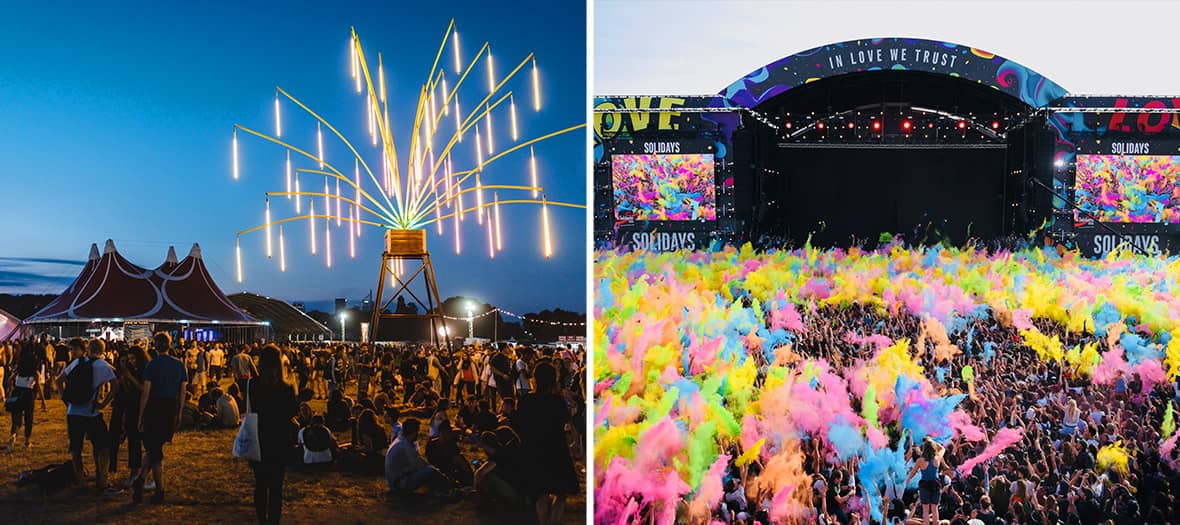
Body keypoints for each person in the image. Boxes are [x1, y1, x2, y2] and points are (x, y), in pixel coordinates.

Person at [513, 360, 579, 525]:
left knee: (541, 493)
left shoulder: (526, 401)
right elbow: (567, 421)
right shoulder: (556, 402)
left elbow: (518, 424)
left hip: (534, 450)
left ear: (535, 379)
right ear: (553, 380)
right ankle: (553, 521)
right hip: (555, 450)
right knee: (561, 492)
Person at [55, 338, 118, 490]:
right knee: (103, 447)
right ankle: (101, 479)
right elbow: (116, 386)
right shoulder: (103, 365)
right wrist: (103, 403)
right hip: (91, 413)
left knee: (76, 448)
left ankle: (81, 480)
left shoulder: (78, 362)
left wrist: (66, 400)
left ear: (88, 349)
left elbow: (58, 380)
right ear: (103, 350)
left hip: (73, 411)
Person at [133, 332, 188, 504]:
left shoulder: (151, 365)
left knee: (154, 449)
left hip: (154, 407)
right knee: (156, 448)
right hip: (169, 407)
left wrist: (140, 416)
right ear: (170, 345)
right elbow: (183, 391)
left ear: (155, 346)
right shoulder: (179, 365)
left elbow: (146, 393)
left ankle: (146, 483)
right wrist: (179, 412)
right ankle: (155, 487)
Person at [246, 344, 298, 524]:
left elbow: (251, 409)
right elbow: (293, 412)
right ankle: (274, 520)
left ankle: (262, 520)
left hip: (259, 438)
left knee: (260, 484)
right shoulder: (286, 388)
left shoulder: (253, 385)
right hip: (280, 439)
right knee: (276, 487)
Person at [384, 418, 455, 497]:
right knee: (431, 471)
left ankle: (440, 489)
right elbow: (418, 465)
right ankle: (449, 489)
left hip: (397, 479)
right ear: (414, 432)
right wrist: (438, 472)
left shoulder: (402, 441)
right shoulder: (405, 446)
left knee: (430, 470)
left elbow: (418, 461)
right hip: (399, 483)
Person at [110, 344, 148, 481]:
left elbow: (143, 389)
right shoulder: (121, 373)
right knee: (114, 436)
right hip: (121, 406)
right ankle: (112, 466)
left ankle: (134, 470)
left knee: (134, 439)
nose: (129, 362)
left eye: (131, 359)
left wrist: (129, 376)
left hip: (135, 407)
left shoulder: (140, 371)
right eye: (125, 360)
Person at [7, 340, 42, 450]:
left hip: (17, 391)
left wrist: (11, 389)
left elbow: (9, 380)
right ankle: (27, 441)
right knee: (28, 417)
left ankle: (13, 435)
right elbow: (39, 387)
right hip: (28, 394)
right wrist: (43, 401)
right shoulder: (34, 371)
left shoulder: (19, 367)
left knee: (16, 417)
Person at [905, 438, 947, 525]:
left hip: (924, 486)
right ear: (933, 448)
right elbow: (943, 449)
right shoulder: (937, 458)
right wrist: (933, 441)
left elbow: (913, 471)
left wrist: (908, 479)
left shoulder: (920, 460)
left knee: (926, 510)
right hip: (936, 484)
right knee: (935, 509)